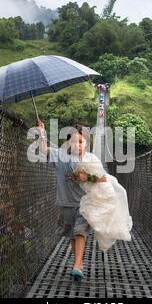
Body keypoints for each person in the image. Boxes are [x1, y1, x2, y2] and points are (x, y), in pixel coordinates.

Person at [36, 119, 107, 280]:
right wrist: (41, 132)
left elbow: (103, 179)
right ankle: (78, 263)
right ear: (68, 142)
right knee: (72, 235)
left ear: (87, 144)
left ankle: (76, 266)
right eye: (73, 141)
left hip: (85, 204)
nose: (77, 145)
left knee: (80, 233)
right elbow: (43, 149)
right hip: (65, 204)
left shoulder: (91, 159)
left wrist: (87, 176)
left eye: (81, 141)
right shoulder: (60, 156)